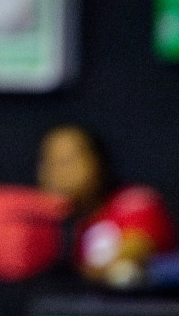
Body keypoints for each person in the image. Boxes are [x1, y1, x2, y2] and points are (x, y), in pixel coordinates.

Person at [38, 123, 177, 289]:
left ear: (98, 162)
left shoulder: (135, 202)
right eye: (50, 161)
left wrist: (96, 269)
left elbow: (135, 248)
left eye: (68, 161)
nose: (58, 173)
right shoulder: (50, 225)